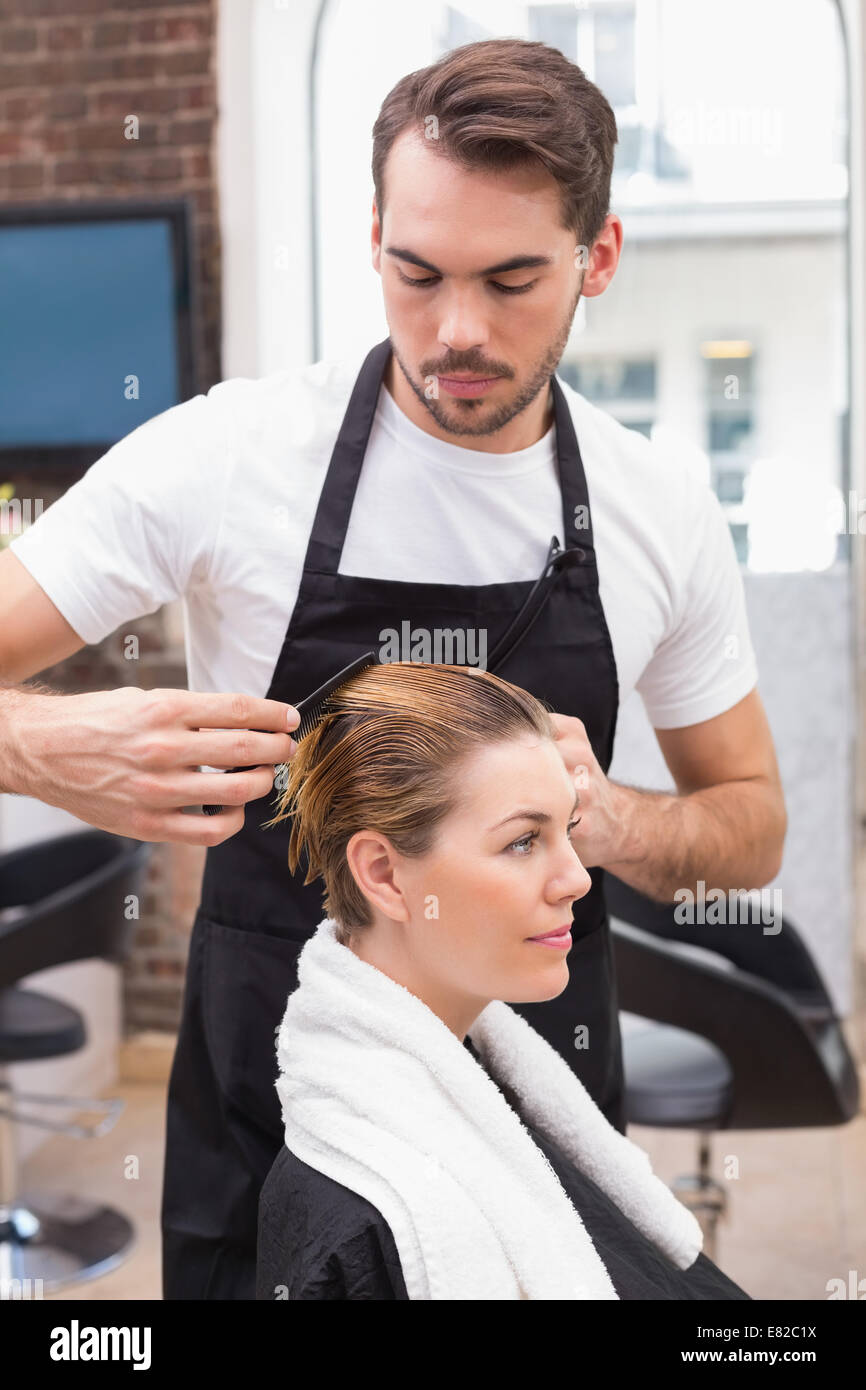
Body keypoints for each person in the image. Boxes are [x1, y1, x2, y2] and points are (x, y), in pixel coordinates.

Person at [0, 38, 785, 1300]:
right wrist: (40, 744)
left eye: (511, 278)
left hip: (538, 1073)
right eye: (415, 274)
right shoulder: (229, 456)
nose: (456, 330)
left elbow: (749, 830)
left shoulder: (658, 513)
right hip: (272, 1076)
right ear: (372, 237)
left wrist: (615, 819)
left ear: (599, 257)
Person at [256, 660, 751, 1301]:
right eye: (523, 841)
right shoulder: (360, 1231)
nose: (577, 878)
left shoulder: (499, 1092)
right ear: (382, 874)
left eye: (568, 828)